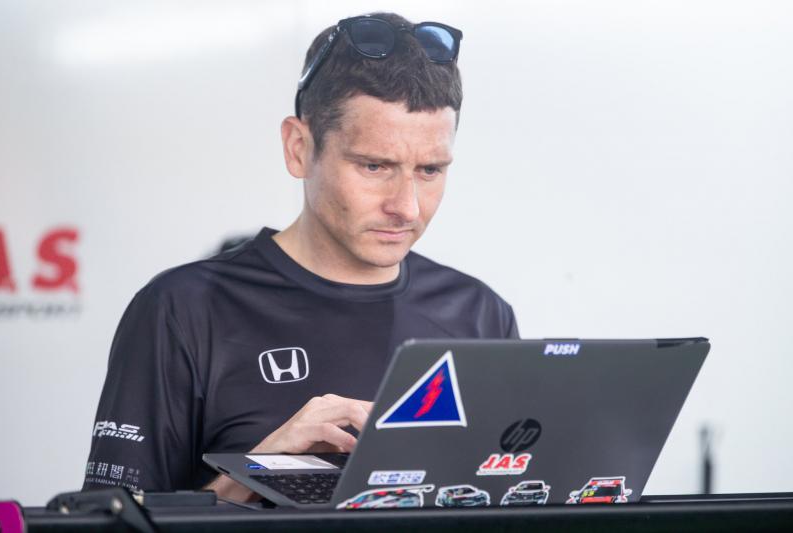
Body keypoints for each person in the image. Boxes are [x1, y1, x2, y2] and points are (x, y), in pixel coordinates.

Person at [83, 12, 519, 501]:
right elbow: (112, 522)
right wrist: (255, 472)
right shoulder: (183, 309)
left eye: (430, 170)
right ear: (298, 148)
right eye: (375, 166)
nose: (407, 207)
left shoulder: (481, 315)